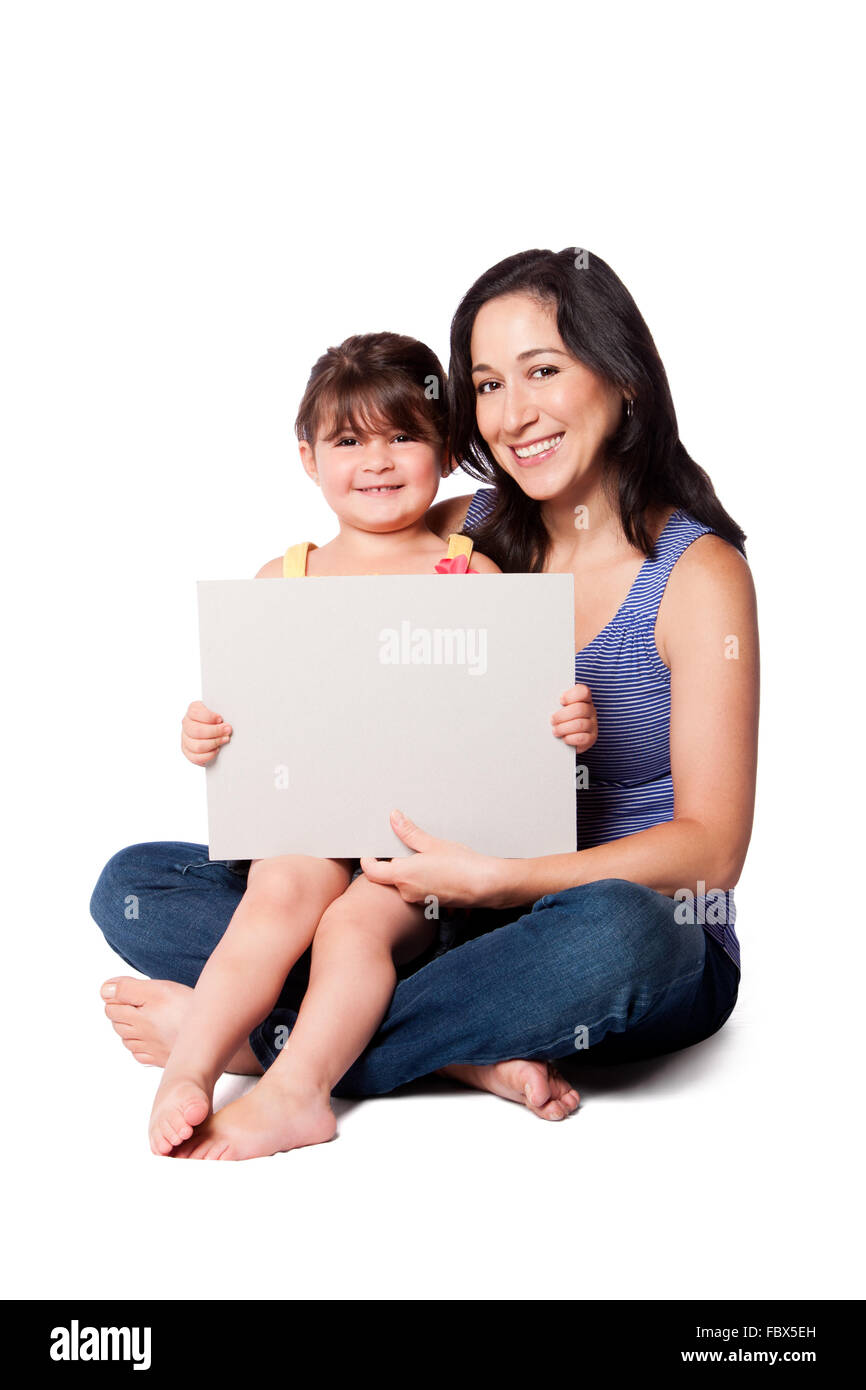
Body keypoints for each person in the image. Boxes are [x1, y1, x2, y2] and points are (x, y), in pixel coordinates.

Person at [92, 247, 757, 1139]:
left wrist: (500, 878)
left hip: (589, 925)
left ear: (624, 377)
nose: (514, 414)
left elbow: (712, 854)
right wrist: (235, 723)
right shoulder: (459, 527)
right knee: (135, 883)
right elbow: (330, 648)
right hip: (437, 910)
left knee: (632, 935)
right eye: (485, 384)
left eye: (544, 371)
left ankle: (272, 1049)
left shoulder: (698, 575)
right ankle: (454, 1044)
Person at [146, 329, 595, 1159]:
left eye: (404, 437)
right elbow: (250, 724)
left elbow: (519, 727)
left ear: (447, 452)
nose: (378, 462)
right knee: (272, 895)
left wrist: (568, 726)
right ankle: (194, 1065)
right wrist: (206, 733)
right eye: (349, 441)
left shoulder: (470, 573)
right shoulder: (283, 580)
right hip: (308, 835)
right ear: (310, 459)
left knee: (353, 928)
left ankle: (299, 1086)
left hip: (420, 857)